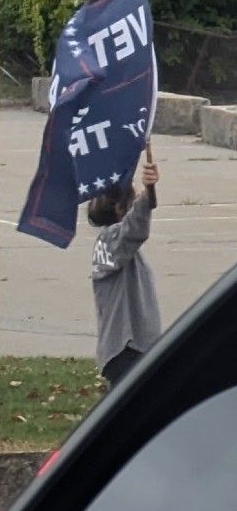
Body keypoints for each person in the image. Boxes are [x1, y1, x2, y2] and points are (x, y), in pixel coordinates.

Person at [91, 157, 161, 388]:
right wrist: (148, 195)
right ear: (121, 208)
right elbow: (135, 229)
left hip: (125, 351)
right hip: (126, 348)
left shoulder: (114, 245)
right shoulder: (112, 240)